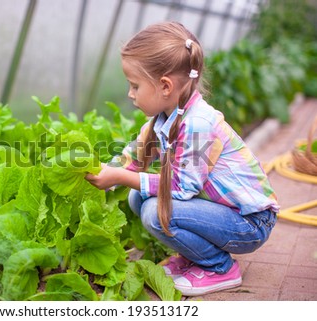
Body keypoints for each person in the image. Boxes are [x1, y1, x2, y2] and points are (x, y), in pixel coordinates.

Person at [85, 21, 279, 296]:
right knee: (137, 198)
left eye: (135, 86)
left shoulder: (199, 124)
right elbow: (134, 157)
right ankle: (194, 257)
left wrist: (119, 177)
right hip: (222, 212)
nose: (130, 94)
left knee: (155, 211)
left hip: (250, 223)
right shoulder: (164, 117)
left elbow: (181, 187)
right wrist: (106, 170)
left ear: (164, 86)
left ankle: (218, 267)